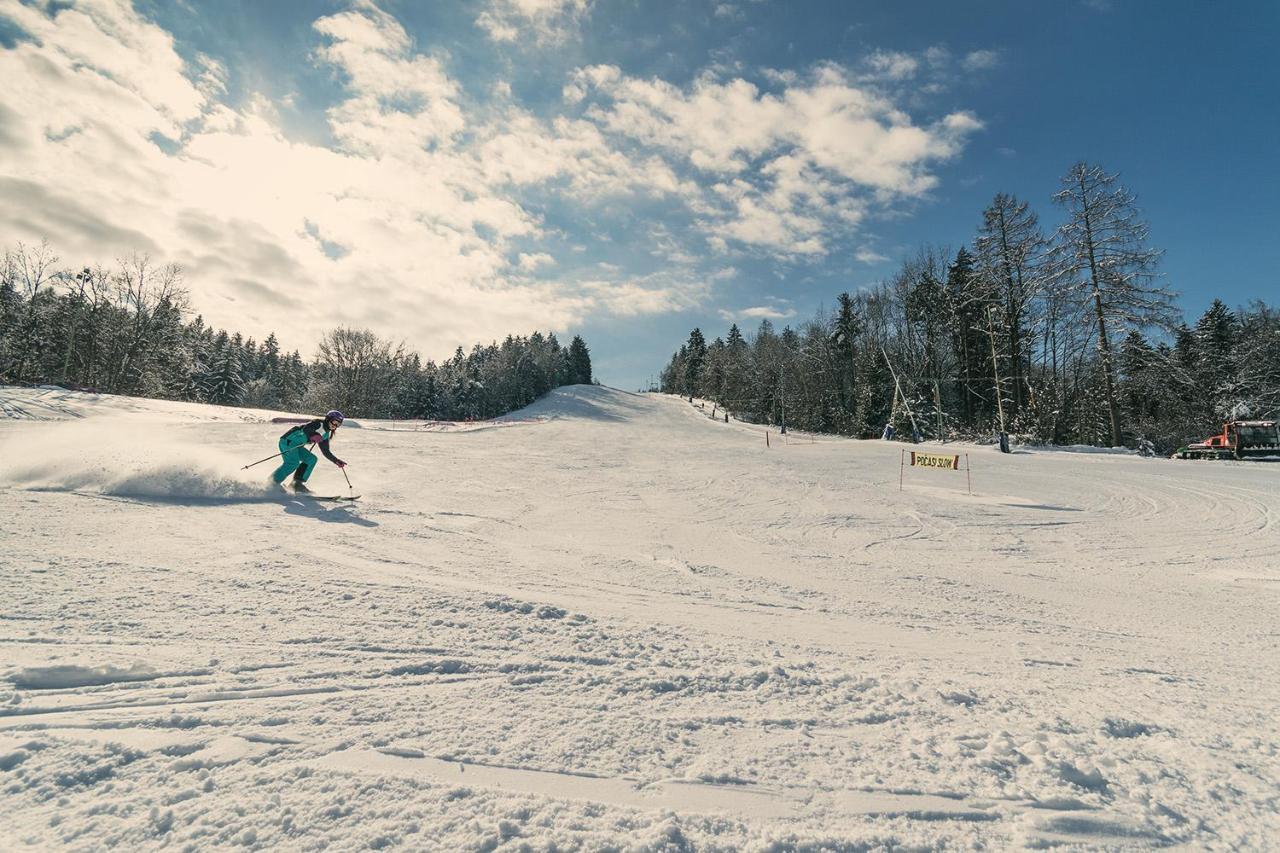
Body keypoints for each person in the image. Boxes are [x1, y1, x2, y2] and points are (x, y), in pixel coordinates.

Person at [272, 410, 347, 491]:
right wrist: (313, 435)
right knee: (293, 463)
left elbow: (325, 451)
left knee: (311, 459)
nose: (335, 426)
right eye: (335, 422)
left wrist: (336, 461)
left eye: (338, 424)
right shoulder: (318, 423)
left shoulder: (325, 434)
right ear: (328, 419)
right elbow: (306, 428)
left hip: (297, 446)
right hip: (288, 441)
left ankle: (297, 484)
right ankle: (273, 483)